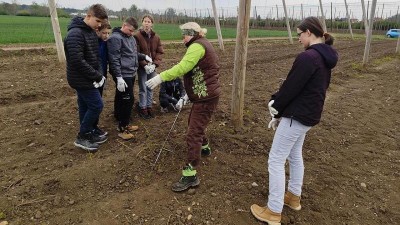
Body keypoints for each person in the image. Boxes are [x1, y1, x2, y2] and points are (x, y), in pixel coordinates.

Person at [250, 17, 338, 225]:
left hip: (296, 116)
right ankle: (293, 197)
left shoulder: (308, 58)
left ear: (309, 32)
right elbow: (309, 88)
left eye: (299, 34)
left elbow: (291, 87)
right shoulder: (325, 57)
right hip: (309, 115)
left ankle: (273, 211)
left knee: (276, 159)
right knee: (295, 155)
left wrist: (276, 108)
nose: (298, 38)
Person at [146, 22, 220, 192]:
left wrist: (160, 78)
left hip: (205, 97)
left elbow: (183, 67)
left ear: (191, 33)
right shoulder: (202, 43)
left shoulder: (196, 46)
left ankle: (190, 174)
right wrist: (188, 93)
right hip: (205, 95)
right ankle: (205, 148)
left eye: (184, 35)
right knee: (196, 125)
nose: (182, 39)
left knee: (193, 132)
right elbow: (200, 71)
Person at [64, 4, 108, 152]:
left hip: (89, 77)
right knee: (97, 105)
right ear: (88, 16)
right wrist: (96, 75)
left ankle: (89, 132)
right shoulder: (75, 34)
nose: (99, 25)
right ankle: (82, 136)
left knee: (84, 105)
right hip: (80, 78)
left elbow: (96, 57)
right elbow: (77, 61)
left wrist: (100, 74)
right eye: (98, 21)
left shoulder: (90, 32)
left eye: (101, 22)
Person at [108, 17, 152, 140]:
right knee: (128, 99)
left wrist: (144, 56)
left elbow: (132, 54)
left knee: (121, 96)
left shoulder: (130, 38)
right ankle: (123, 128)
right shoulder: (115, 39)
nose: (132, 33)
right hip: (123, 74)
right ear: (124, 25)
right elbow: (114, 59)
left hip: (131, 73)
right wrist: (118, 77)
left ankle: (121, 119)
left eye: (133, 31)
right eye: (130, 30)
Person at [134, 14, 164, 119]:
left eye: (149, 22)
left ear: (152, 24)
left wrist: (155, 64)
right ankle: (143, 108)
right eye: (145, 21)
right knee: (143, 88)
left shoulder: (156, 37)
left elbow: (160, 52)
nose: (146, 23)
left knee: (150, 86)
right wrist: (144, 65)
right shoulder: (137, 36)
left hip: (153, 66)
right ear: (142, 23)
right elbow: (136, 53)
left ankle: (149, 106)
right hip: (143, 67)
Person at [96, 21, 112, 96]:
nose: (107, 35)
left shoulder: (106, 43)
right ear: (98, 31)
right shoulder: (93, 42)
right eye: (104, 33)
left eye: (108, 33)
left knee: (100, 93)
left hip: (103, 72)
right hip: (94, 74)